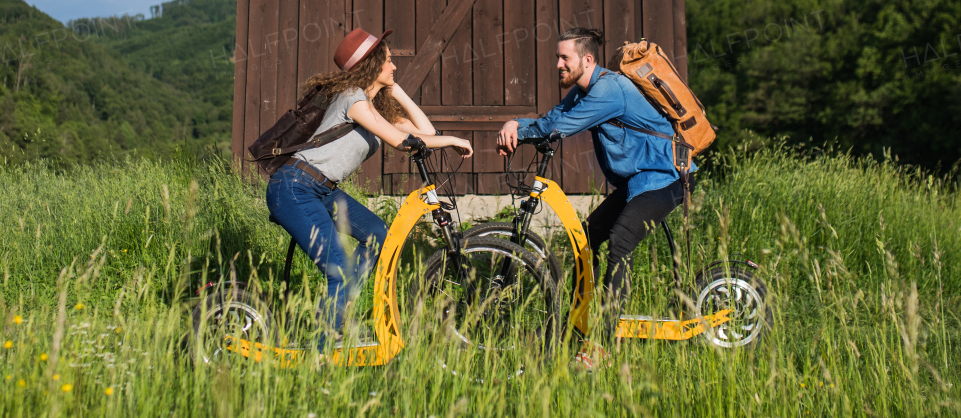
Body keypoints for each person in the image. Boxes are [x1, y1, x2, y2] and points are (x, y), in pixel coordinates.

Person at [267, 27, 472, 345]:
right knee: (339, 271)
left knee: (378, 236)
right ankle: (321, 350)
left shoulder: (377, 108)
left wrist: (396, 89)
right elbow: (403, 142)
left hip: (322, 190)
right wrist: (454, 139)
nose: (394, 66)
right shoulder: (352, 99)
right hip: (296, 187)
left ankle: (341, 309)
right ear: (371, 65)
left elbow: (425, 132)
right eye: (388, 61)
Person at [496, 27, 693, 357]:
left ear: (587, 60)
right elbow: (552, 118)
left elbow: (557, 129)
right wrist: (516, 124)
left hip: (665, 178)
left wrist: (515, 125)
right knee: (585, 240)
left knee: (620, 241)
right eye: (557, 57)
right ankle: (577, 328)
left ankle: (601, 344)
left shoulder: (608, 91)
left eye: (564, 58)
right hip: (637, 182)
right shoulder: (582, 90)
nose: (558, 64)